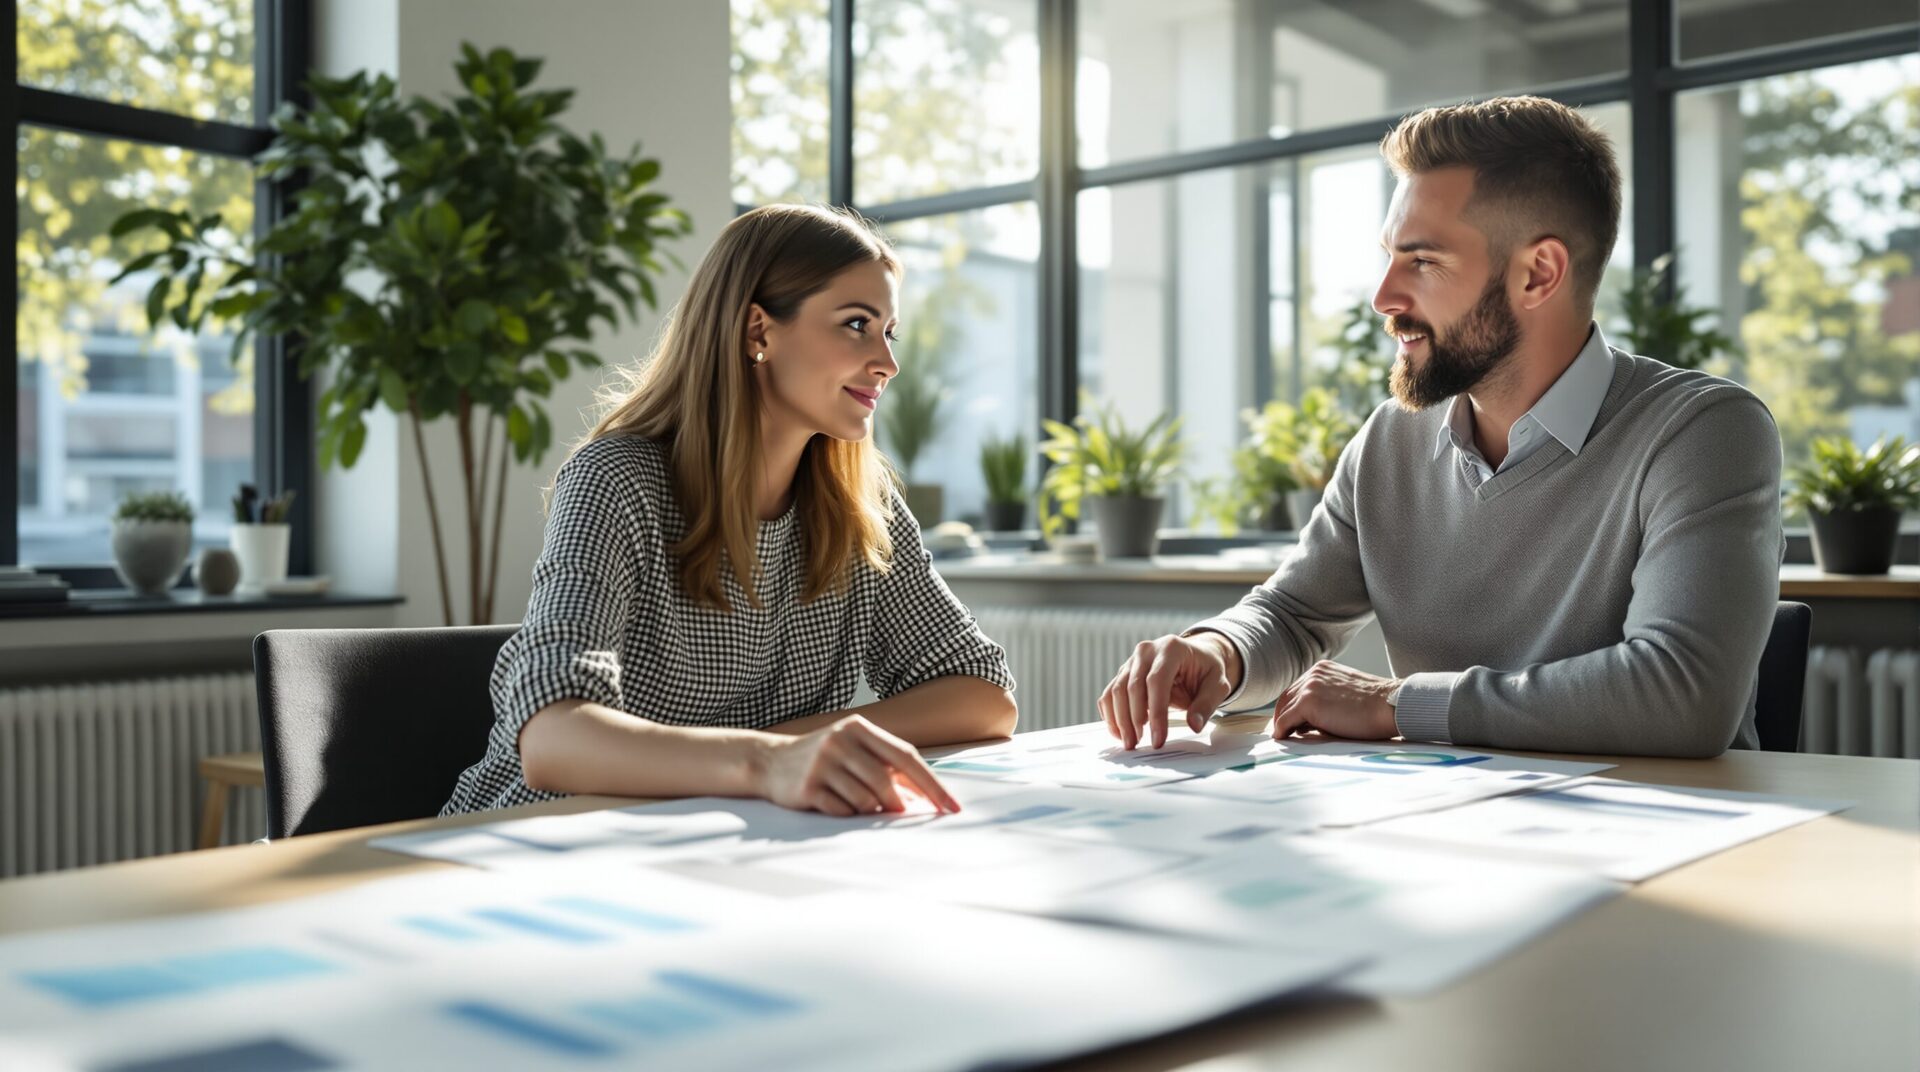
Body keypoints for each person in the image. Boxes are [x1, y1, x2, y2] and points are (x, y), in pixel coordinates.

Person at [1101, 95, 1783, 759]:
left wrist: (1398, 704)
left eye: (1423, 262)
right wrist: (1216, 651)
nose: (1383, 298)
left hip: (1673, 836)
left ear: (1538, 274)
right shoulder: (1390, 441)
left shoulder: (1704, 432)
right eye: (1391, 256)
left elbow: (1682, 694)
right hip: (1449, 833)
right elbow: (1291, 614)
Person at [443, 204, 1017, 818]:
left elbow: (982, 695)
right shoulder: (617, 479)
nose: (887, 362)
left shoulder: (861, 506)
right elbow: (552, 740)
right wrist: (766, 763)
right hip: (537, 837)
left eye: (889, 332)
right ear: (757, 332)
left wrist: (792, 750)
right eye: (857, 325)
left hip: (724, 834)